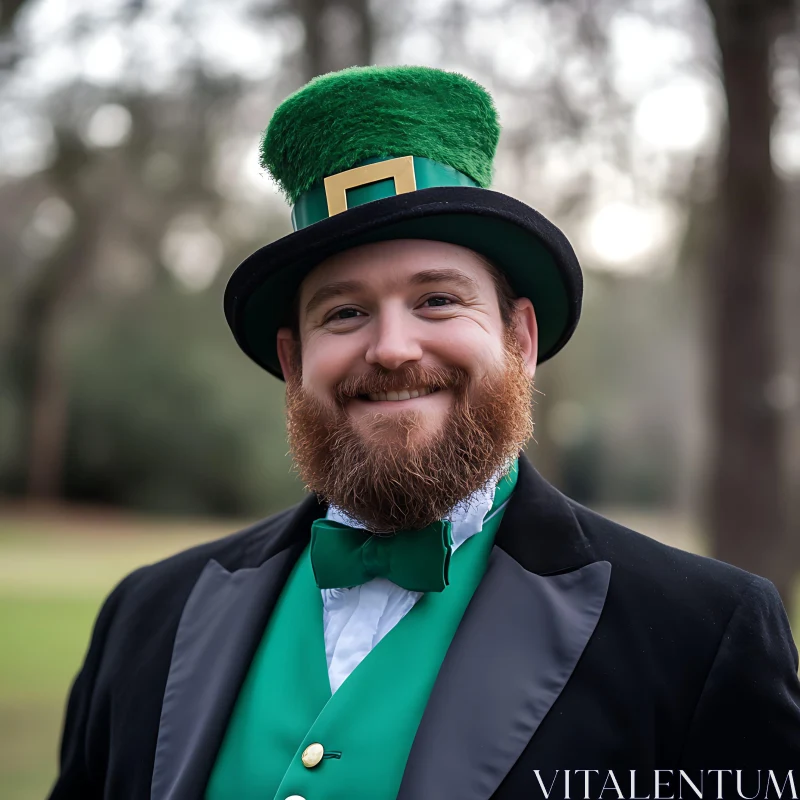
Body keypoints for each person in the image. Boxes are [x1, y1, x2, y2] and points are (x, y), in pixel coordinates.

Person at [50, 66, 800, 800]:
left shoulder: (700, 635)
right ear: (293, 360)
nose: (392, 348)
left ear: (520, 339)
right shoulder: (146, 616)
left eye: (437, 299)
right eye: (344, 312)